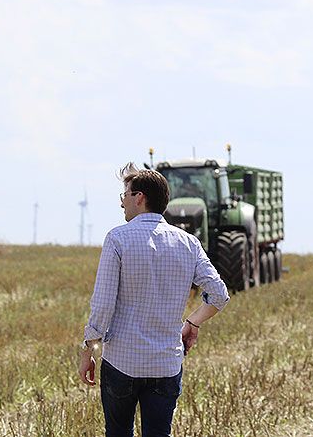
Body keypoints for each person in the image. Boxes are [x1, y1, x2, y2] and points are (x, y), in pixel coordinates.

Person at [78, 162, 230, 437]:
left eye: (124, 194)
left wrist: (89, 348)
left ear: (139, 197)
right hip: (165, 363)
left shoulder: (117, 239)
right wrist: (193, 323)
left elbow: (103, 305)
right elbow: (219, 294)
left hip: (122, 362)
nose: (122, 202)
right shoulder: (189, 242)